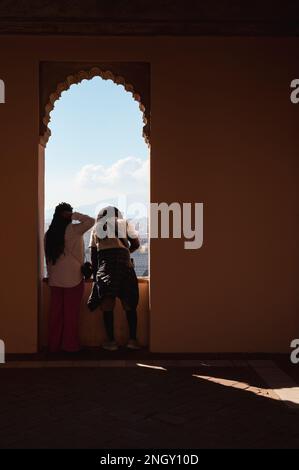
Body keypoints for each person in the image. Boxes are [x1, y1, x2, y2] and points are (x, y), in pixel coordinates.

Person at [88, 206, 140, 351]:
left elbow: (93, 254)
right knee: (130, 305)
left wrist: (95, 275)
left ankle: (111, 342)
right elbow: (136, 244)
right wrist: (125, 254)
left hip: (106, 269)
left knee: (107, 306)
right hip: (125, 268)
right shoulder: (125, 224)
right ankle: (133, 340)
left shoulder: (96, 228)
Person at [45, 202, 95, 352]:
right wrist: (74, 215)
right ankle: (70, 345)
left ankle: (54, 345)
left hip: (55, 279)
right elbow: (91, 221)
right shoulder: (73, 229)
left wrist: (50, 275)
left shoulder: (49, 234)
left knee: (56, 314)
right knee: (71, 315)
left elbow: (48, 258)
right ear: (67, 214)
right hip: (73, 278)